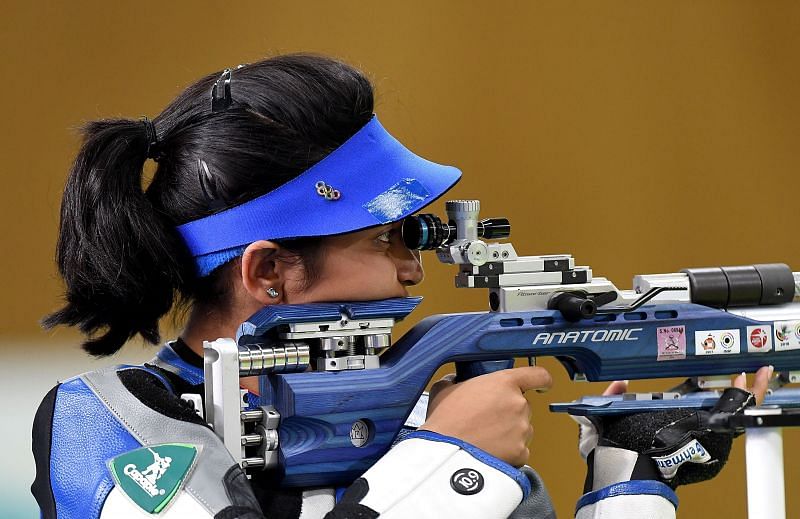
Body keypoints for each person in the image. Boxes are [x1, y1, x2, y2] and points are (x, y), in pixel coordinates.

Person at [32, 54, 770, 519]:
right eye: (385, 236)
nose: (415, 264)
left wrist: (627, 479)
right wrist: (447, 462)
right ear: (267, 271)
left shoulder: (409, 417)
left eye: (416, 234)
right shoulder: (109, 424)